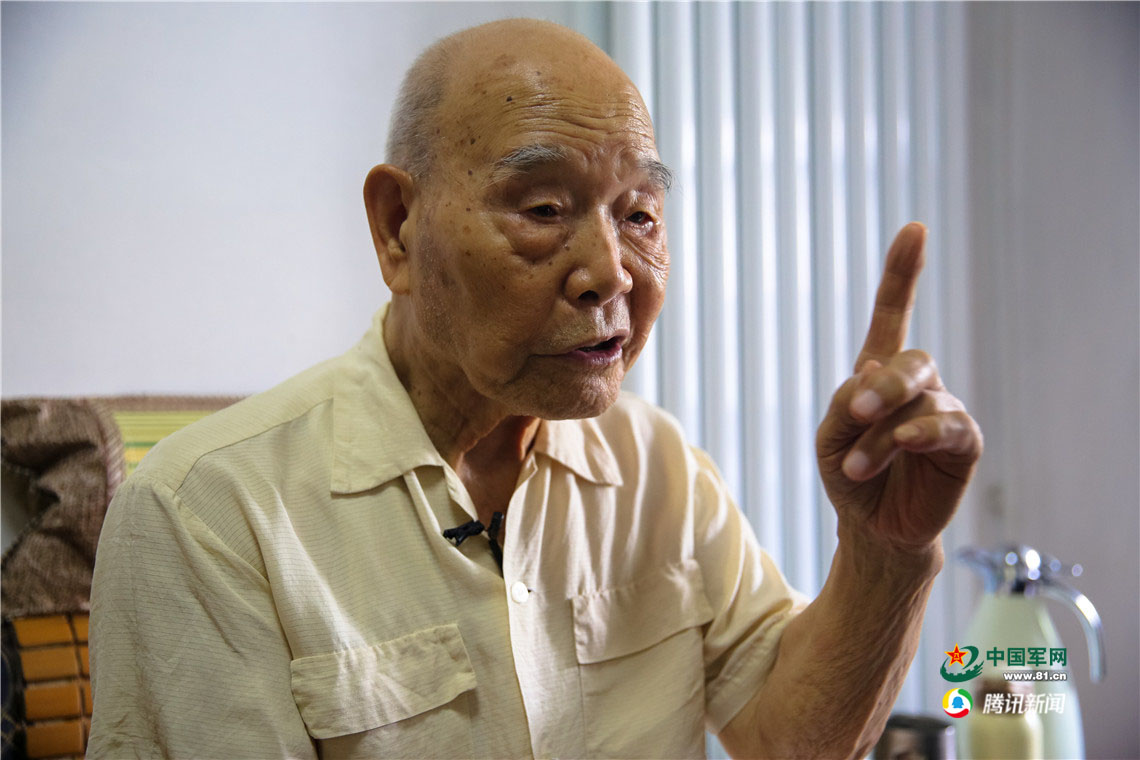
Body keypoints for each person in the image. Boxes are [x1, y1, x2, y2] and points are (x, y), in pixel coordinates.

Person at [88, 18, 982, 760]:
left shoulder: (657, 467)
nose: (611, 272)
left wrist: (885, 552)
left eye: (639, 215)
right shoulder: (208, 513)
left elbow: (794, 740)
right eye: (544, 209)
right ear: (398, 228)